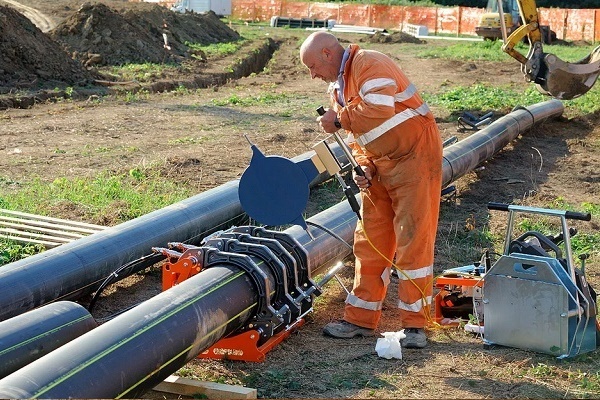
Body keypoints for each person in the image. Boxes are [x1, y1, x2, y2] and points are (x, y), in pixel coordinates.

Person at [299, 31, 442, 348]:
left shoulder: (368, 63)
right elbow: (358, 138)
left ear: (327, 53)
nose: (312, 75)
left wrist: (338, 120)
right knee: (369, 241)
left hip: (414, 157)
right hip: (381, 163)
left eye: (311, 66)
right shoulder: (337, 89)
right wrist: (364, 166)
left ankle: (415, 326)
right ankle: (360, 319)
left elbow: (378, 109)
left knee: (412, 239)